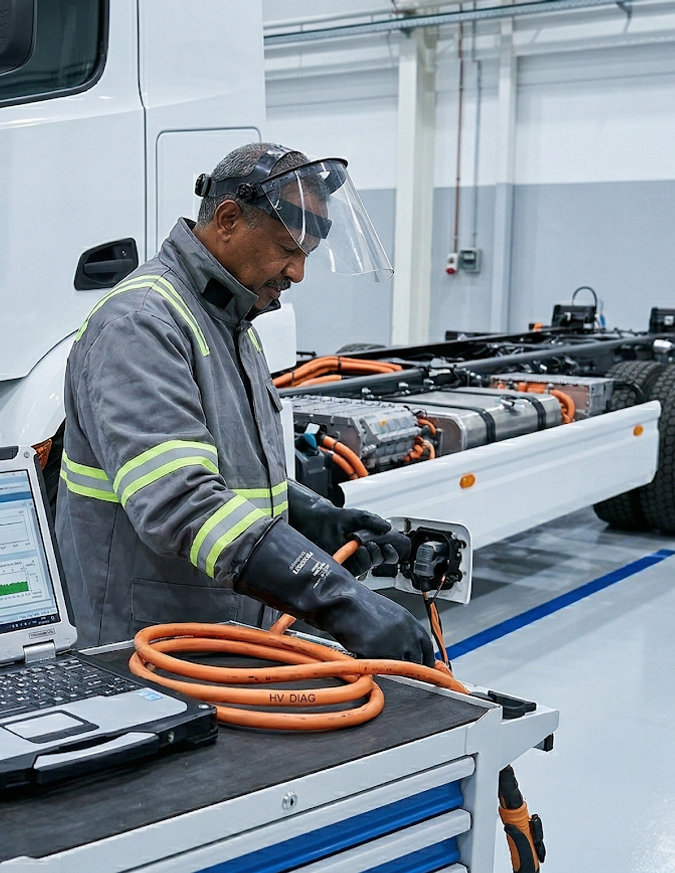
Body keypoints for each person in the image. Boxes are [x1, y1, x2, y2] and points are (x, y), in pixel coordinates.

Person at [54, 142, 436, 665]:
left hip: (214, 632)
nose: (298, 273)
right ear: (229, 219)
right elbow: (180, 503)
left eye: (306, 256)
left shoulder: (232, 319)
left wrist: (310, 515)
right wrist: (337, 598)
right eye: (288, 249)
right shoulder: (141, 324)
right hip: (142, 645)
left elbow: (228, 470)